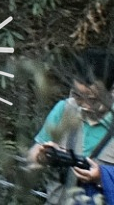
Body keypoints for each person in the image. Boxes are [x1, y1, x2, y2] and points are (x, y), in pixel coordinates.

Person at [28, 52, 114, 202]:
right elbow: (32, 156)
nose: (85, 106)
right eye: (78, 96)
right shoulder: (64, 109)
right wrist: (43, 156)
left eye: (93, 100)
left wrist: (102, 177)